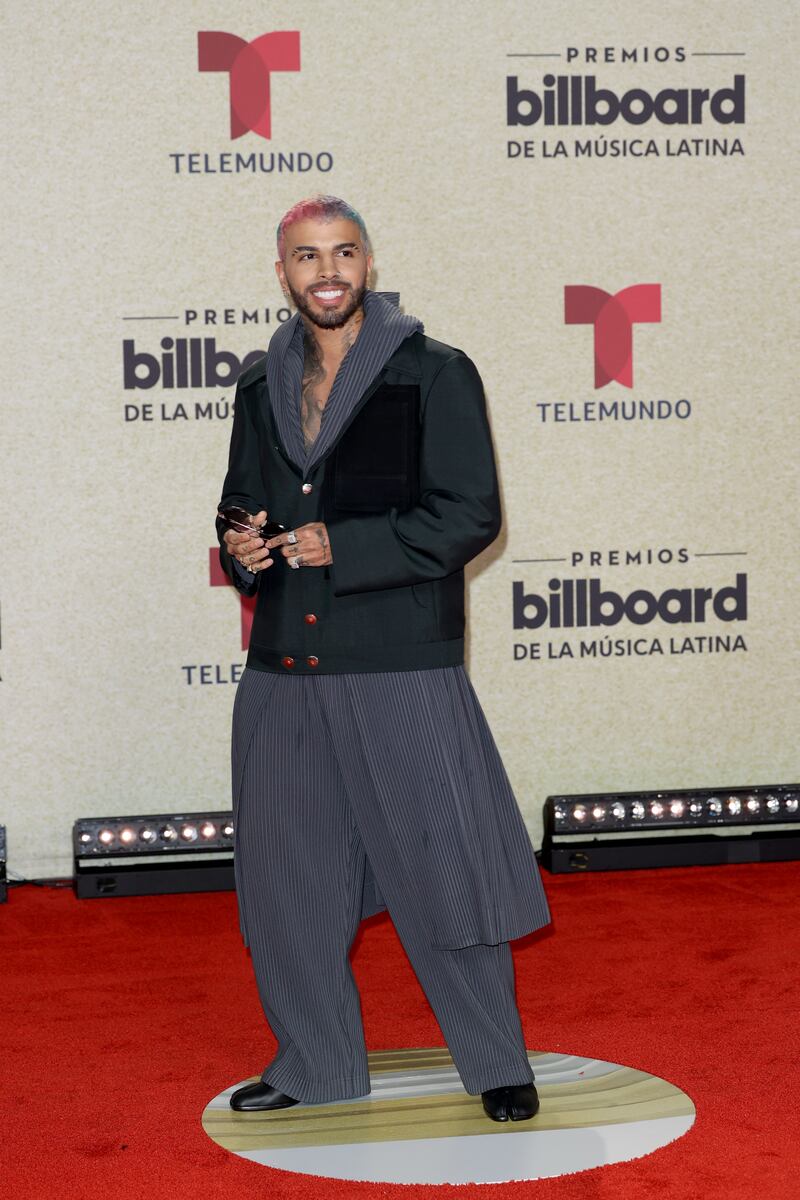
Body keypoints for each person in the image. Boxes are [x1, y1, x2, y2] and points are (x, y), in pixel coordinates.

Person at [216, 194, 551, 1123]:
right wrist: (240, 542)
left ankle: (496, 1061)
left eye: (343, 252)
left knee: (446, 871)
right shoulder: (259, 382)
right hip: (284, 665)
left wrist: (346, 546)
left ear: (367, 263)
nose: (326, 271)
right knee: (285, 885)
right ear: (281, 272)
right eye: (306, 256)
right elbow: (241, 496)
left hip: (402, 665)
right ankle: (314, 1063)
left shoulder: (436, 372)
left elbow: (470, 514)